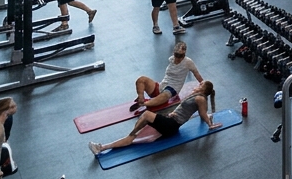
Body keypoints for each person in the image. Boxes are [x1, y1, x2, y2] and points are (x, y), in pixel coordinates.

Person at [91, 82, 220, 157]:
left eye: (201, 84)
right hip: (170, 120)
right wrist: (174, 113)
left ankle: (126, 137)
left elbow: (202, 112)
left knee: (146, 115)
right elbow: (191, 111)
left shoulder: (200, 98)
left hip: (171, 126)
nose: (199, 83)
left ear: (204, 88)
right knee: (136, 137)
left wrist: (209, 123)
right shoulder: (197, 95)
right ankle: (102, 147)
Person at [131, 41, 205, 112]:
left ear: (184, 54)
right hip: (162, 86)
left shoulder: (188, 62)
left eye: (181, 56)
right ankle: (141, 98)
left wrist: (203, 84)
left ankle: (144, 104)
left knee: (165, 94)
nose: (178, 58)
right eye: (177, 55)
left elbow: (196, 73)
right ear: (174, 53)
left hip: (172, 89)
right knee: (141, 79)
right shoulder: (171, 59)